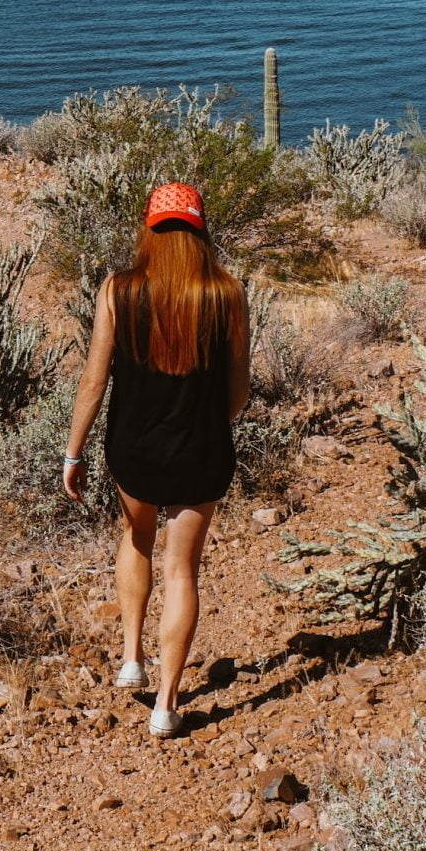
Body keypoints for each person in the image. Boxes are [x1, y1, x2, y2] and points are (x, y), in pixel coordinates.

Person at [62, 182, 251, 737]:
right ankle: (167, 705)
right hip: (202, 451)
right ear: (199, 231)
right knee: (183, 569)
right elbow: (238, 390)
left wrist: (74, 451)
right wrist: (210, 425)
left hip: (133, 449)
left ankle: (131, 659)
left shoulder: (119, 290)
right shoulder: (225, 294)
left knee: (137, 538)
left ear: (149, 229)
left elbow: (94, 380)